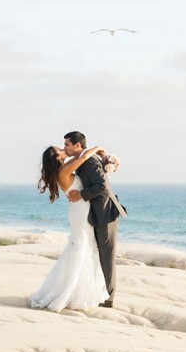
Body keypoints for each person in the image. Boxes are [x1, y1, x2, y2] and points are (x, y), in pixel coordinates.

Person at [29, 145, 110, 312]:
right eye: (60, 149)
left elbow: (78, 157)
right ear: (57, 158)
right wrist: (99, 147)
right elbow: (84, 156)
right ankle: (71, 292)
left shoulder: (64, 168)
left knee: (81, 247)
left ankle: (76, 289)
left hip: (79, 210)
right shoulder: (64, 172)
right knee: (80, 248)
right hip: (80, 211)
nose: (62, 147)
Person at [63, 131, 126, 308]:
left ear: (77, 145)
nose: (65, 147)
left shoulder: (89, 162)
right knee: (99, 255)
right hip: (97, 214)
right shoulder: (83, 161)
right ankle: (100, 293)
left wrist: (81, 195)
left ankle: (109, 299)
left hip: (106, 214)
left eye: (67, 144)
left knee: (107, 257)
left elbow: (101, 186)